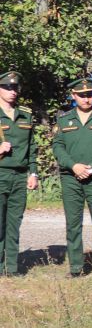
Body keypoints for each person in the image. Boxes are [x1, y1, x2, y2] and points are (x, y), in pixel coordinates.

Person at [52, 75, 92, 278]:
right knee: (73, 223)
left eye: (90, 95)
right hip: (71, 177)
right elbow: (58, 146)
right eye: (82, 95)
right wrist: (73, 166)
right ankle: (76, 268)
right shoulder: (63, 119)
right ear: (73, 95)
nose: (87, 99)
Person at [0, 71, 37, 276]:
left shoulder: (25, 115)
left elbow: (32, 147)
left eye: (15, 88)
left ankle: (12, 268)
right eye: (7, 87)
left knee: (14, 223)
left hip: (19, 175)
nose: (12, 91)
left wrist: (34, 173)